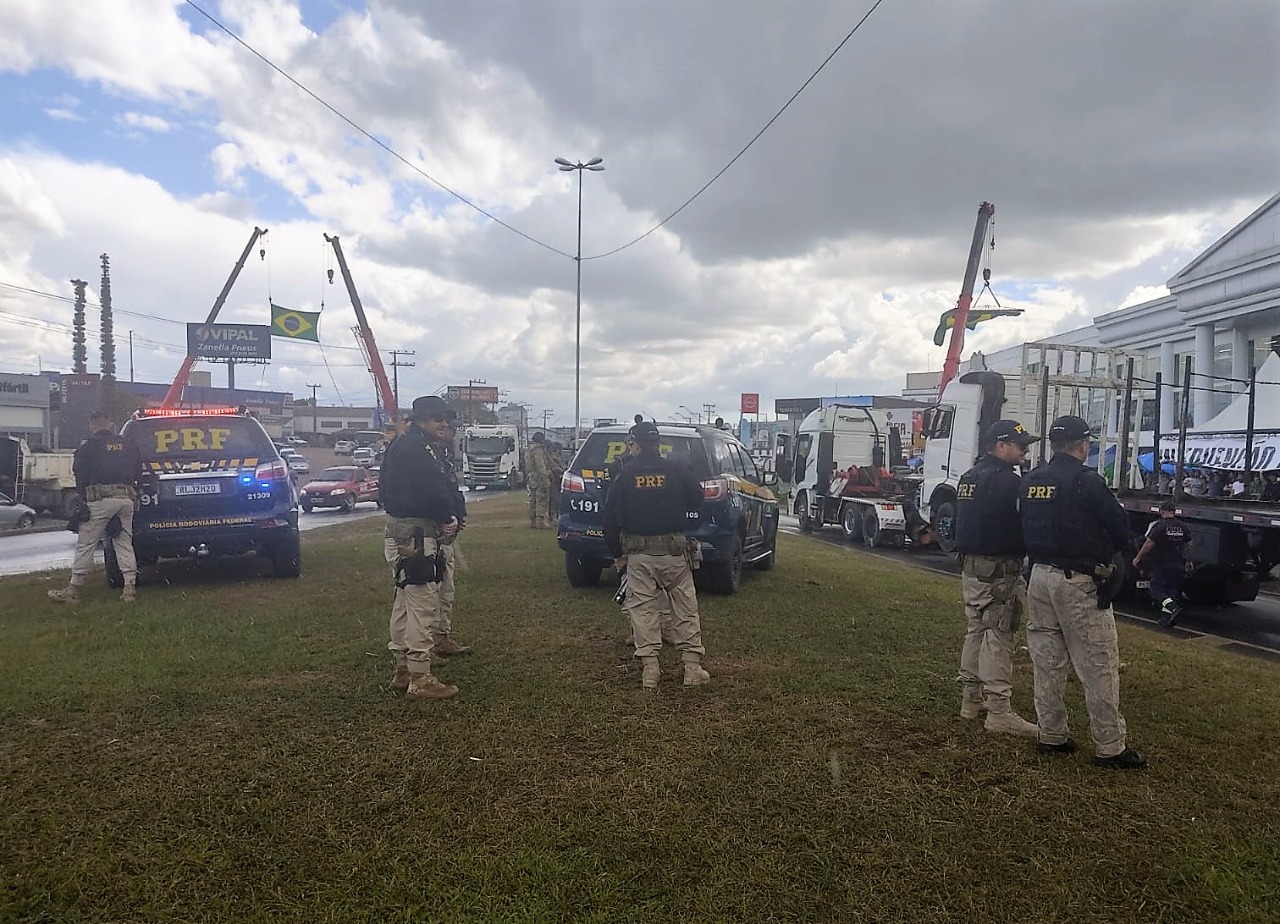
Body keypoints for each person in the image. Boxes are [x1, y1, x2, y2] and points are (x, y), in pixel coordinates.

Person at [1021, 415, 1146, 769]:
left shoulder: (1031, 480)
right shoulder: (1087, 481)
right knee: (1097, 664)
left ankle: (1051, 734)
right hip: (1078, 582)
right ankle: (1110, 746)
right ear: (1083, 445)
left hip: (1040, 577)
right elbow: (1120, 529)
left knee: (1047, 662)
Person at [603, 421, 709, 691]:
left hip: (639, 556)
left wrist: (617, 554)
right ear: (658, 443)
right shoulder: (676, 470)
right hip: (674, 553)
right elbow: (698, 497)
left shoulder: (625, 475)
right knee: (684, 608)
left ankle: (650, 671)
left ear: (635, 444)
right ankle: (692, 668)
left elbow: (609, 518)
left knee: (643, 611)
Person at [953, 419, 1040, 737]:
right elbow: (1026, 520)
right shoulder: (1007, 481)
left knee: (975, 631)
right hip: (1000, 572)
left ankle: (970, 700)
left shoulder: (969, 476)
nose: (1025, 451)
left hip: (972, 569)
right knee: (999, 637)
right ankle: (999, 710)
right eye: (1020, 446)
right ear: (1001, 445)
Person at [378, 395, 462, 700]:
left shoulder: (402, 445)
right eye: (436, 418)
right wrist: (446, 517)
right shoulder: (418, 448)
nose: (443, 424)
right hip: (417, 534)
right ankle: (420, 676)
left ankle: (403, 668)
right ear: (420, 420)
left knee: (405, 600)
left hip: (402, 530)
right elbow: (433, 488)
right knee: (422, 603)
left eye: (445, 419)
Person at [48, 410, 141, 604]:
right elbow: (137, 470)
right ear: (110, 424)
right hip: (126, 498)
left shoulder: (88, 448)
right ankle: (129, 589)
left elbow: (79, 475)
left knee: (86, 544)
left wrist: (83, 499)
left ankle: (73, 590)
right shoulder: (128, 445)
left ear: (92, 426)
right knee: (124, 542)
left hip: (100, 499)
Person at [432, 414, 474, 660]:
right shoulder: (421, 456)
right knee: (427, 593)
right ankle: (421, 647)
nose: (451, 433)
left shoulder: (441, 456)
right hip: (431, 532)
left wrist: (458, 515)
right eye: (448, 427)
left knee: (445, 588)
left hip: (447, 533)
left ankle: (441, 636)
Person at [1132, 499, 1192, 627]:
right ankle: (1168, 618)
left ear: (1162, 511)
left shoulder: (1159, 526)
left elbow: (1149, 543)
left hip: (1163, 563)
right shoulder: (1183, 526)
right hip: (1178, 564)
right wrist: (1189, 561)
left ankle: (1173, 608)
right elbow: (1188, 545)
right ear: (1174, 511)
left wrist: (1138, 557)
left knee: (1156, 589)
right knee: (1171, 591)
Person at [525, 431, 555, 529]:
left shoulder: (529, 449)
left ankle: (532, 521)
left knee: (532, 500)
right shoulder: (538, 450)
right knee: (541, 499)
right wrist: (546, 478)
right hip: (539, 477)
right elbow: (540, 465)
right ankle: (540, 521)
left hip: (531, 477)